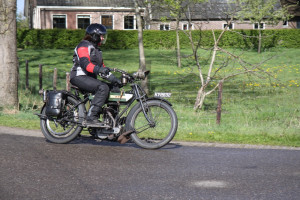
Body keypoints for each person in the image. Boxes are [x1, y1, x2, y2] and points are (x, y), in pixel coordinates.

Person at [70, 23, 121, 127]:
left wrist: (114, 79)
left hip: (89, 78)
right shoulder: (83, 45)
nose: (103, 38)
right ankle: (91, 117)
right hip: (78, 76)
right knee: (103, 87)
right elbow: (85, 64)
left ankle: (111, 122)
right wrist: (99, 70)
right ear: (94, 36)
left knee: (114, 89)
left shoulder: (97, 50)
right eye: (101, 36)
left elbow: (102, 68)